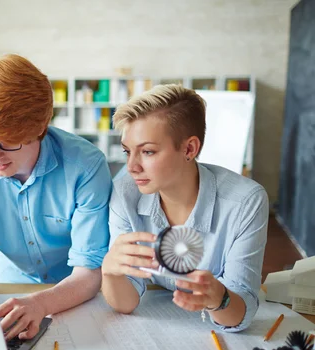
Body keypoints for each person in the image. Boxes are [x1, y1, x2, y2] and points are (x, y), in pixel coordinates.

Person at [0, 54, 111, 340]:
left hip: (74, 294)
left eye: (6, 141)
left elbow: (89, 273)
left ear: (39, 129)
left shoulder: (86, 166)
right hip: (11, 291)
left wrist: (41, 303)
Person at [102, 84, 268, 332]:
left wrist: (218, 298)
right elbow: (125, 303)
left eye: (147, 151)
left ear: (189, 149)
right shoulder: (125, 193)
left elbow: (239, 313)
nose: (132, 167)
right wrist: (110, 272)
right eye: (127, 151)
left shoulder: (246, 202)